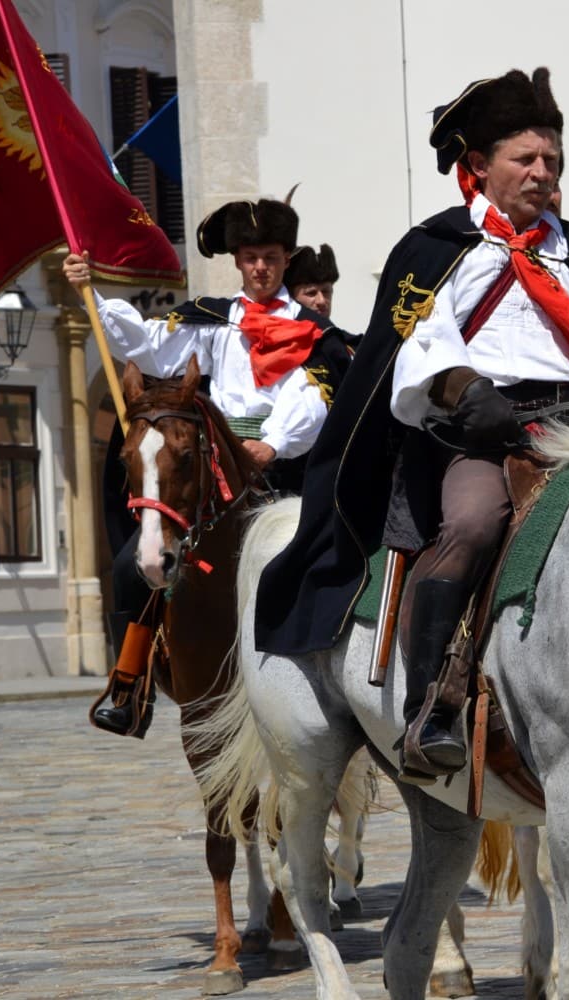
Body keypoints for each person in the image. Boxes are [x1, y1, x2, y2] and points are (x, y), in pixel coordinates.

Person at [252, 67, 569, 783]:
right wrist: (468, 391)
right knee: (474, 523)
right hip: (478, 431)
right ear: (480, 167)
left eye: (554, 163)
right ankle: (430, 708)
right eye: (527, 160)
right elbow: (420, 340)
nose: (543, 173)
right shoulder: (436, 249)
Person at [65, 196, 351, 736]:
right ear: (238, 262)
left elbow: (316, 395)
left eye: (269, 256)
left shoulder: (316, 333)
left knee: (345, 553)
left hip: (289, 467)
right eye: (249, 257)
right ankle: (132, 681)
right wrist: (93, 296)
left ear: (286, 259)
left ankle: (347, 680)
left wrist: (273, 443)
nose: (260, 267)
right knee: (135, 563)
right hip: (217, 466)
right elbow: (150, 351)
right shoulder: (213, 320)